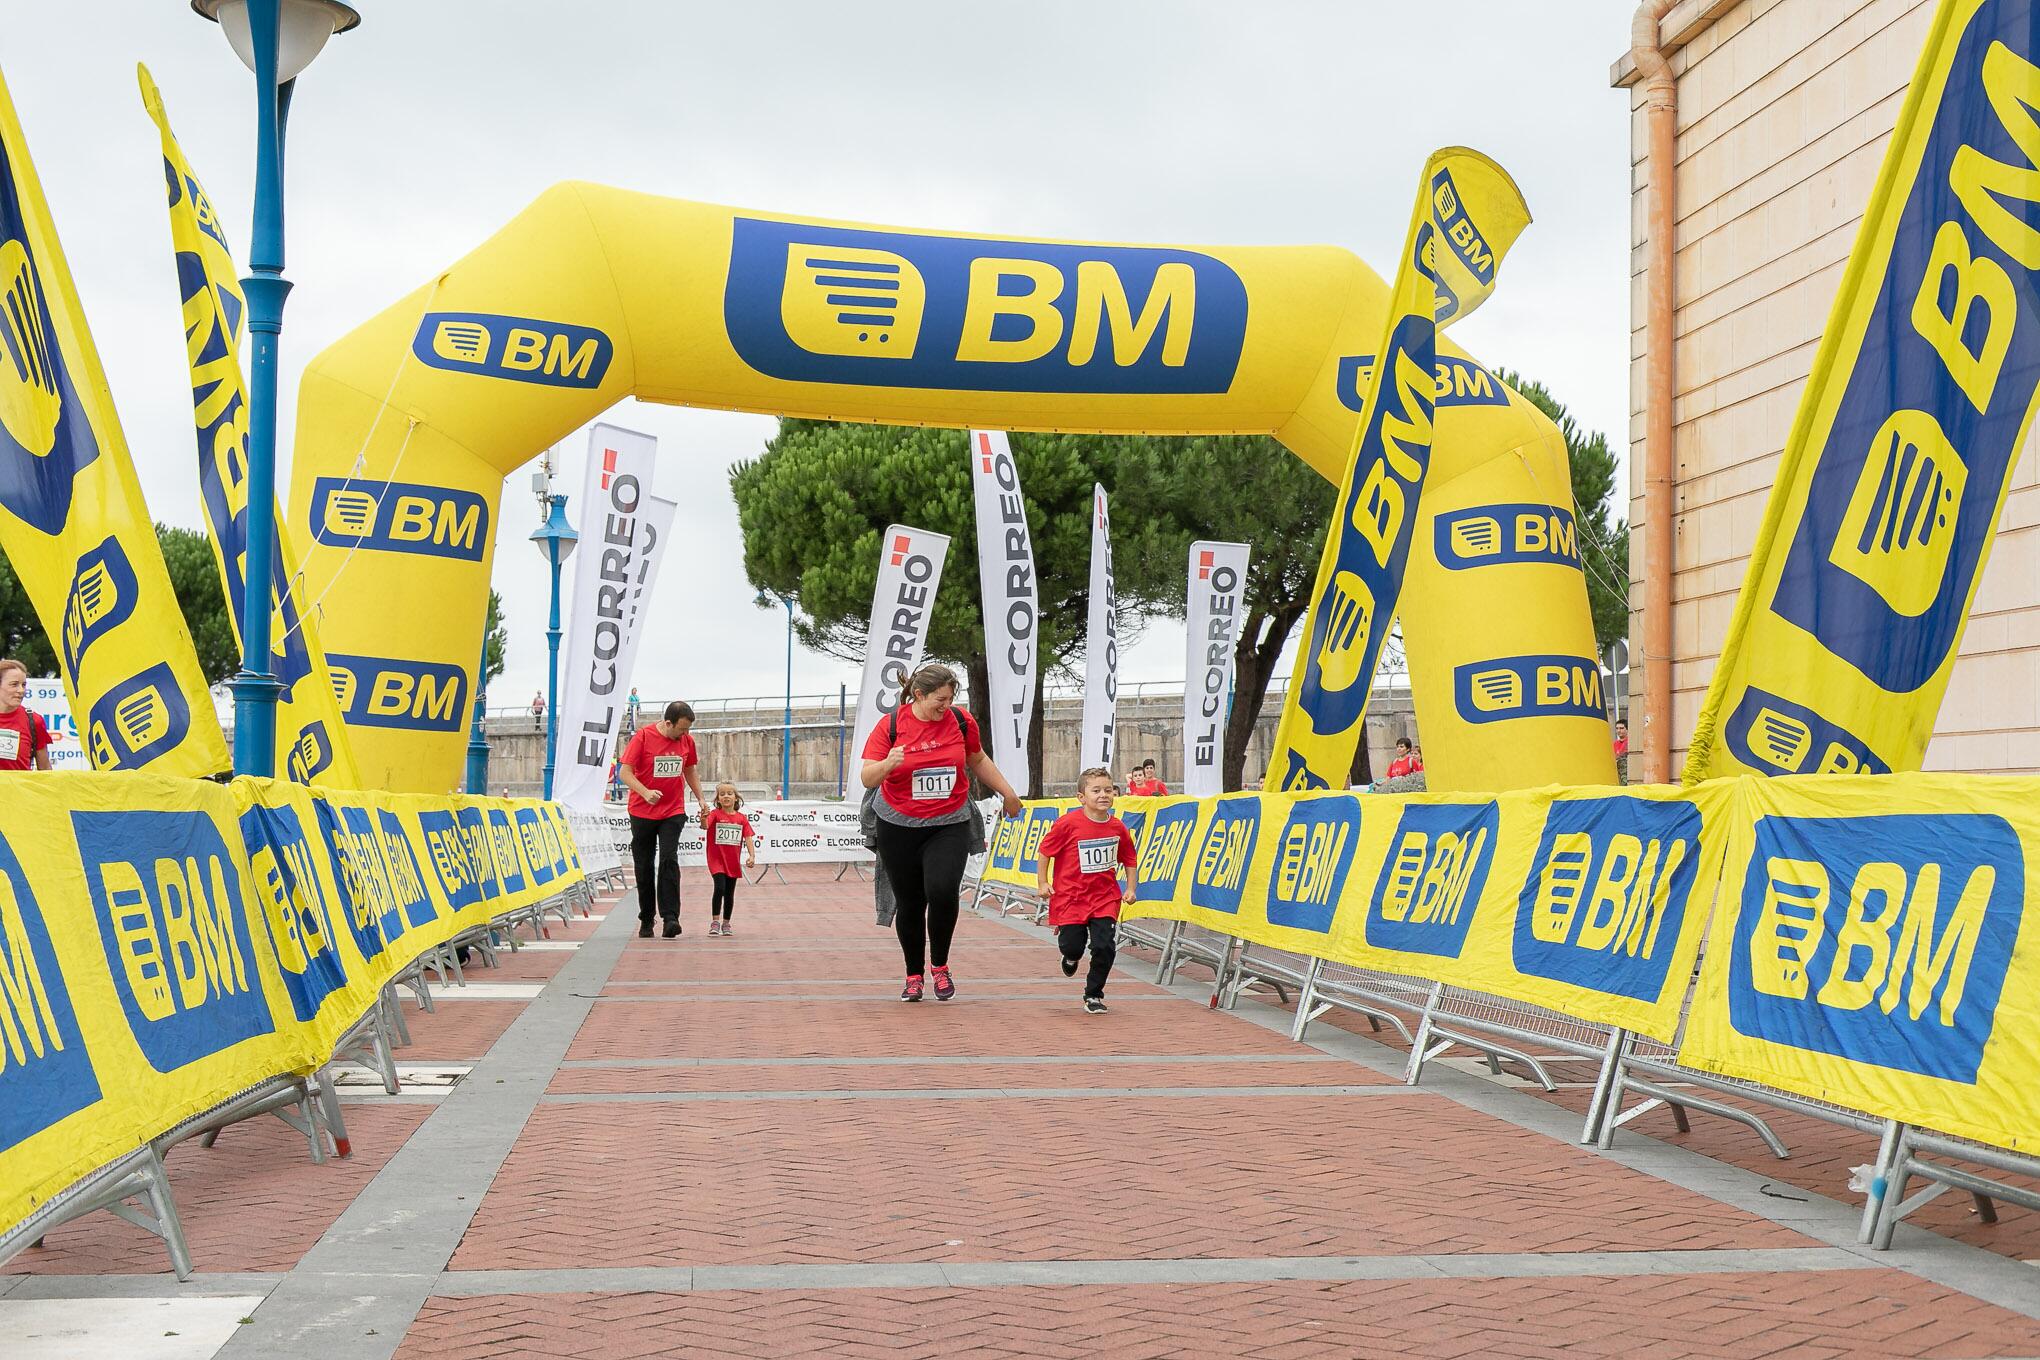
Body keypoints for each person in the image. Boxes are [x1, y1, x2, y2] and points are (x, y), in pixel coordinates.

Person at [860, 663, 1022, 1002]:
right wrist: (889, 763)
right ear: (918, 695)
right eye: (940, 700)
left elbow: (977, 759)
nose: (945, 706)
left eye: (950, 699)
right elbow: (868, 777)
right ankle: (913, 975)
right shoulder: (891, 725)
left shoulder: (961, 722)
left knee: (943, 890)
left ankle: (941, 966)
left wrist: (1007, 792)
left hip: (948, 821)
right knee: (910, 903)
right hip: (898, 824)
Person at [1035, 767, 1137, 1013]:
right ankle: (1070, 957)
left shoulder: (1118, 827)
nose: (1104, 795)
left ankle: (1093, 994)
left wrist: (1131, 888)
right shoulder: (1067, 824)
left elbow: (1129, 859)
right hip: (1071, 897)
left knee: (1104, 946)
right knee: (1072, 945)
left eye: (1108, 790)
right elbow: (1045, 852)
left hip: (1105, 898)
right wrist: (1042, 882)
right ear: (1081, 797)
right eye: (1096, 790)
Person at [618, 700, 710, 938]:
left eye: (688, 729)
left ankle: (671, 918)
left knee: (669, 860)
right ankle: (647, 919)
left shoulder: (686, 741)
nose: (685, 734)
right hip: (642, 811)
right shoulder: (643, 737)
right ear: (668, 723)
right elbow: (624, 773)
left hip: (673, 810)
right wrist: (645, 792)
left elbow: (690, 770)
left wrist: (700, 798)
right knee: (645, 865)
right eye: (681, 729)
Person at [700, 781, 756, 937]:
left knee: (729, 893)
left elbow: (748, 837)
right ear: (717, 799)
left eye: (729, 793)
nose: (726, 796)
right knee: (719, 888)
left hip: (732, 861)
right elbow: (705, 826)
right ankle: (715, 921)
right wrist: (703, 818)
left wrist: (752, 855)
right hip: (716, 859)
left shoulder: (741, 818)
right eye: (722, 794)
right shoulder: (715, 815)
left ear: (736, 798)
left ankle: (726, 922)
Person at [0, 661, 52, 771]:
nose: (21, 690)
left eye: (23, 685)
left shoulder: (34, 720)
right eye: (14, 684)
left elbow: (45, 769)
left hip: (18, 788)